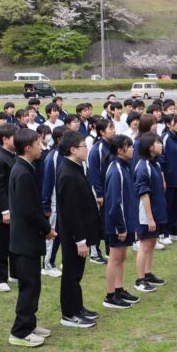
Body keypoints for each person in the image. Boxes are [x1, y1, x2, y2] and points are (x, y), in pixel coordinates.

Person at [8, 128, 55, 348]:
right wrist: (47, 229)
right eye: (38, 143)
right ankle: (20, 331)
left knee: (34, 284)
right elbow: (30, 210)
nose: (41, 147)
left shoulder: (26, 168)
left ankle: (30, 323)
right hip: (24, 240)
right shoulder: (22, 172)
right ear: (27, 147)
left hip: (27, 239)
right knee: (29, 286)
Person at [55, 131, 99, 328]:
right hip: (73, 234)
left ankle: (78, 307)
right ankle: (69, 314)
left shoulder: (76, 167)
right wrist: (80, 240)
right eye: (83, 146)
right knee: (71, 274)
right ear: (73, 149)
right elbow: (71, 211)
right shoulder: (67, 172)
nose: (86, 149)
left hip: (80, 231)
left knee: (77, 272)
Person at [102, 136, 141, 310]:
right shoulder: (115, 170)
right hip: (118, 225)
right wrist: (121, 227)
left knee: (122, 257)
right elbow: (114, 202)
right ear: (119, 150)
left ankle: (119, 289)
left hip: (126, 222)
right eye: (129, 146)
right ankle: (110, 295)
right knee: (115, 258)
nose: (132, 149)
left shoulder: (125, 167)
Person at [134, 133, 169, 289]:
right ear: (149, 147)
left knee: (152, 242)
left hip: (157, 211)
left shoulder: (155, 164)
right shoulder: (143, 166)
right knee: (145, 245)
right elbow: (144, 194)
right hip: (146, 214)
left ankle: (148, 274)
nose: (161, 145)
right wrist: (149, 218)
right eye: (157, 143)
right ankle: (140, 280)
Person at [0, 123, 18, 293]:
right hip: (4, 208)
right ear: (5, 139)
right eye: (15, 136)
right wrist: (5, 211)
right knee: (3, 243)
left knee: (14, 241)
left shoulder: (12, 154)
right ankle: (0, 279)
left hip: (14, 206)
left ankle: (14, 272)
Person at [86, 117, 115, 264]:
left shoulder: (112, 147)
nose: (114, 131)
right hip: (100, 192)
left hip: (110, 191)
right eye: (110, 128)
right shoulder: (96, 149)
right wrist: (99, 193)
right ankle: (94, 252)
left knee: (108, 220)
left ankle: (110, 249)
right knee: (96, 221)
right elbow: (94, 173)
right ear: (102, 132)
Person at [40, 126, 64, 278]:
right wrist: (46, 206)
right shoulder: (53, 158)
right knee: (52, 234)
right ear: (59, 139)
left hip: (64, 204)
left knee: (61, 235)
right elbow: (47, 183)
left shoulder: (64, 155)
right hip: (54, 204)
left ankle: (54, 261)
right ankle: (47, 264)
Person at [160, 114, 177, 245]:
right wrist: (163, 178)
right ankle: (164, 233)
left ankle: (174, 232)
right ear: (168, 124)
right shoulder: (164, 138)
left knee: (175, 206)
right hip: (167, 179)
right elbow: (161, 159)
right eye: (176, 122)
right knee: (166, 206)